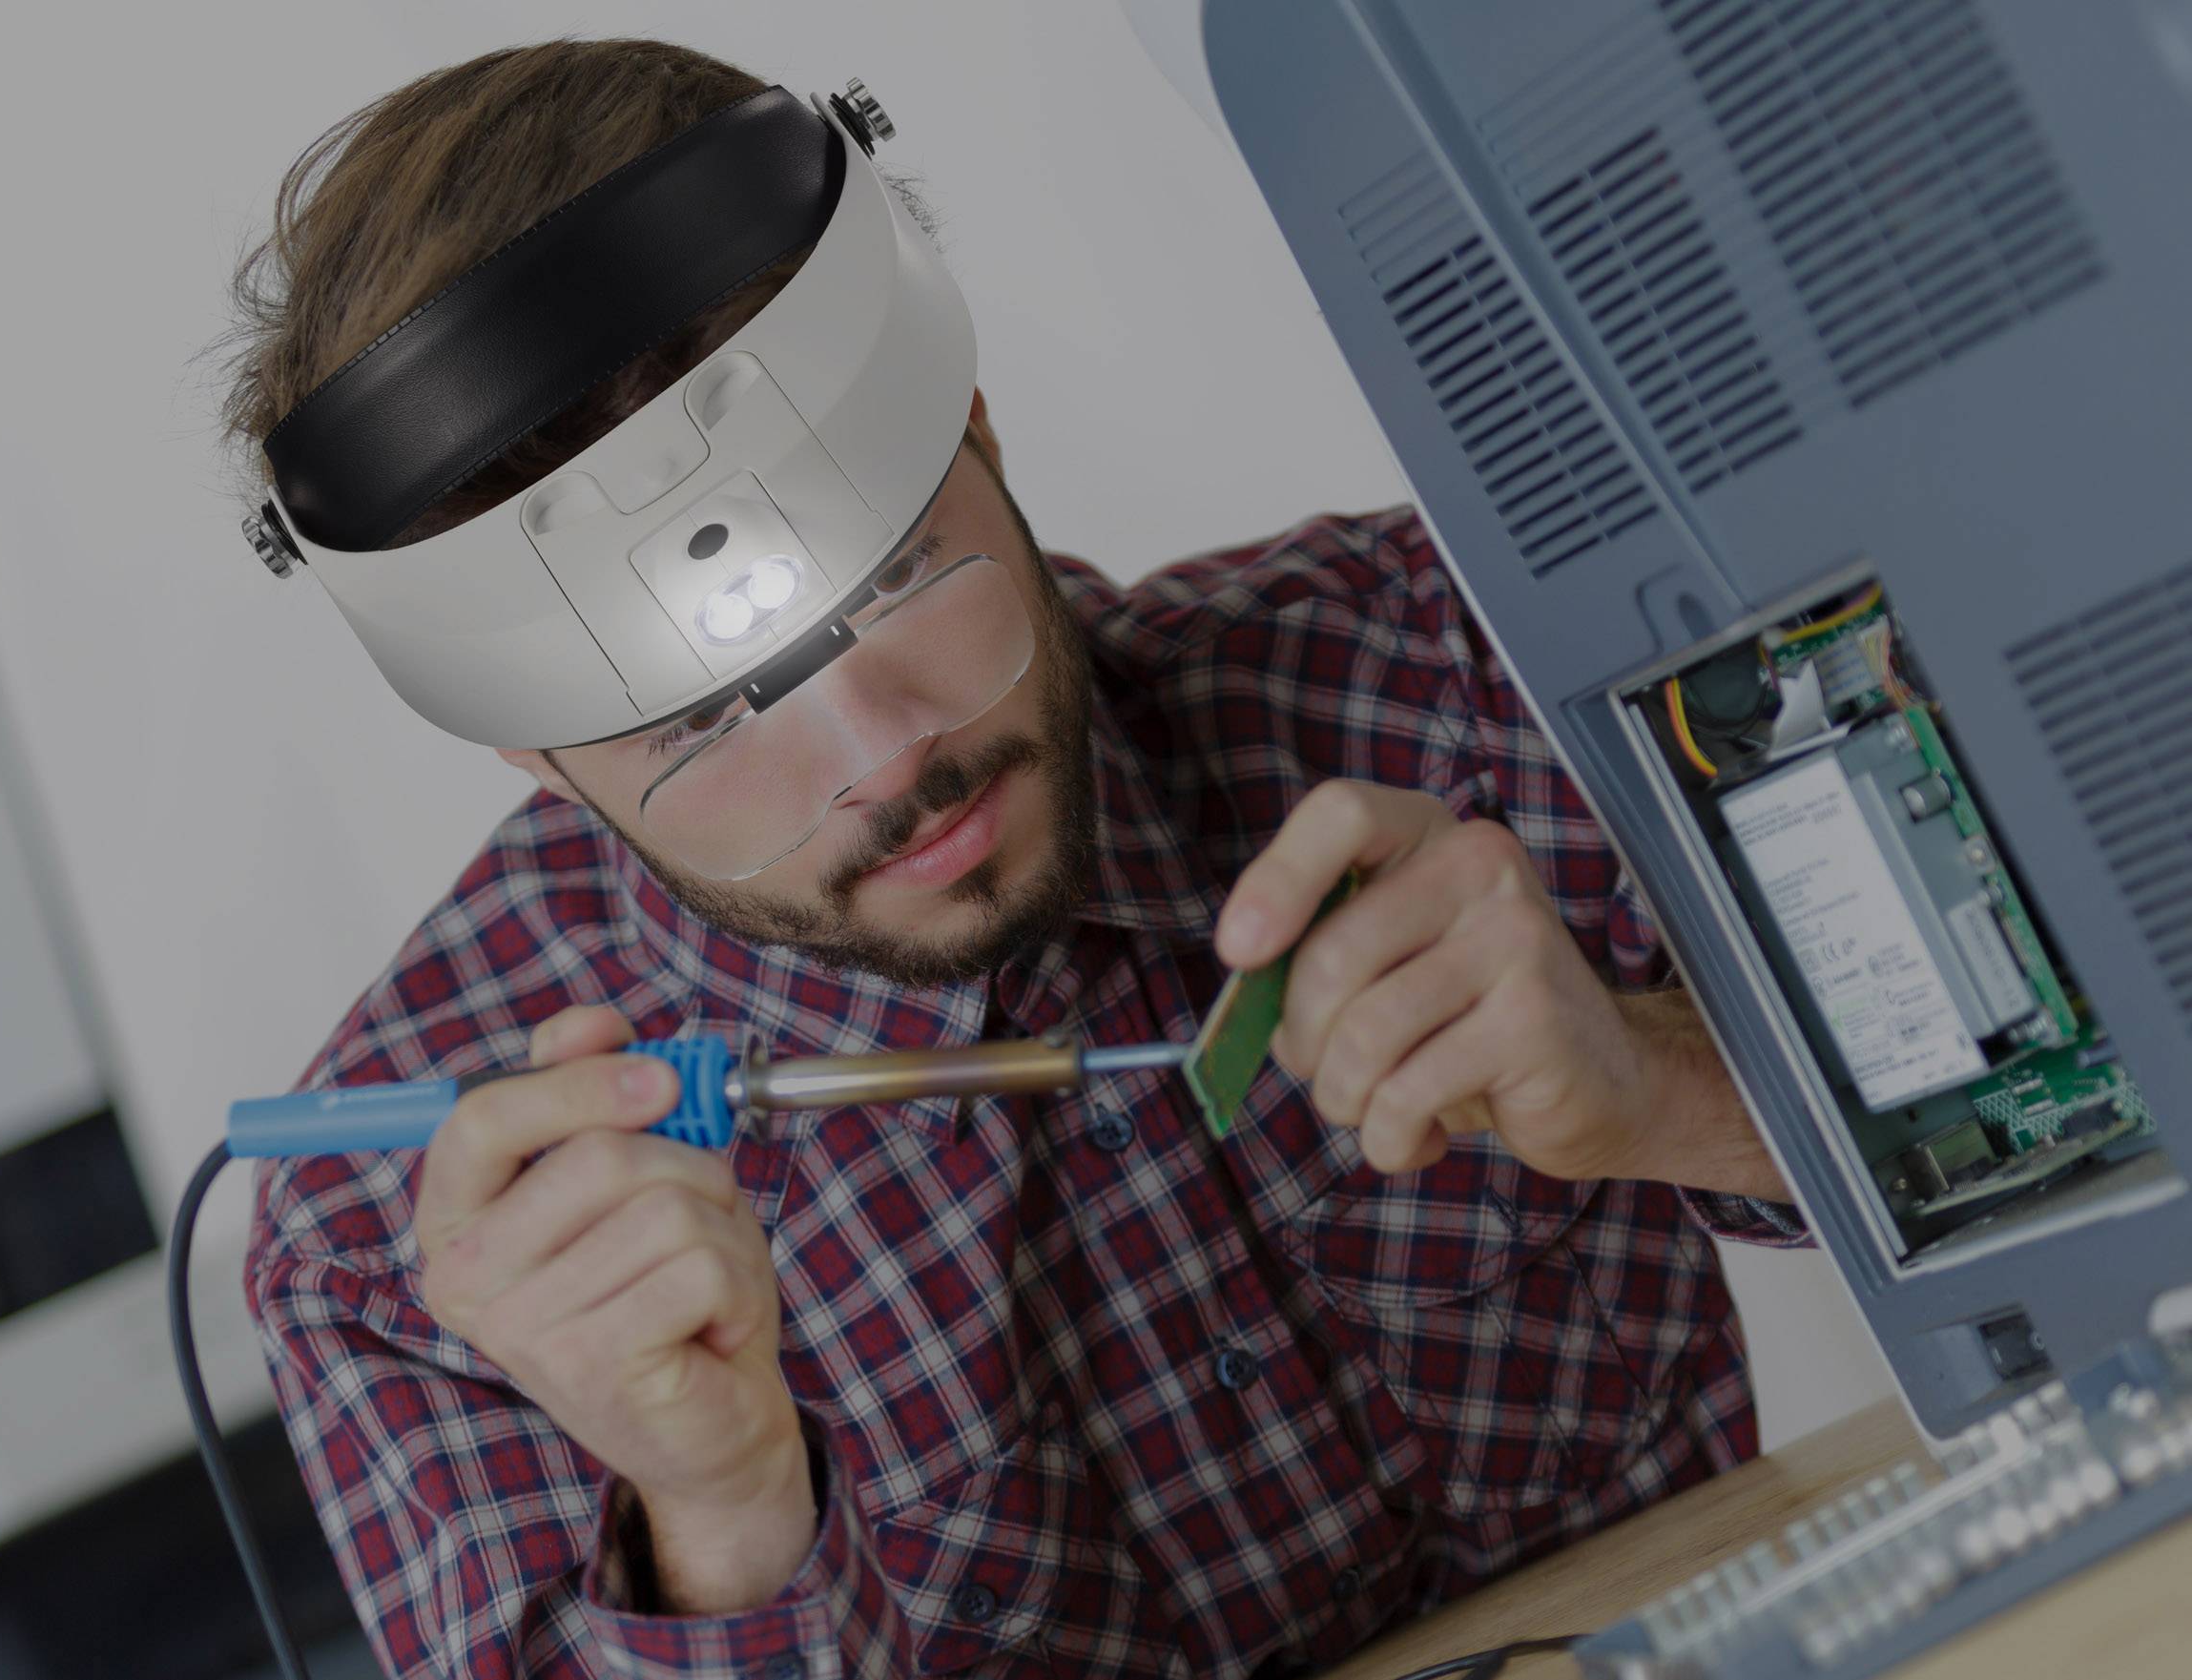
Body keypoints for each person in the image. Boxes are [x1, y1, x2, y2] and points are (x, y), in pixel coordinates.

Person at [221, 37, 1803, 1680]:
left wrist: (1669, 1081)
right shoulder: (396, 1245)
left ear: (975, 424)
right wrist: (721, 1518)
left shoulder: (1426, 667)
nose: (884, 757)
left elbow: (2062, 1107)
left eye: (897, 575)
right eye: (702, 717)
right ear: (530, 756)